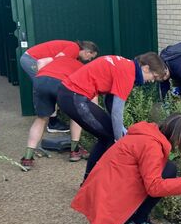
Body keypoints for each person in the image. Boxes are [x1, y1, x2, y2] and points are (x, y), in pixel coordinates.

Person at [70, 114, 181, 224]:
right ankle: (136, 223)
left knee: (167, 167)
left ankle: (128, 218)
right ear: (178, 138)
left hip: (105, 189)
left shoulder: (147, 134)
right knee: (169, 171)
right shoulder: (152, 146)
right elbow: (154, 188)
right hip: (109, 196)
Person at [57, 52, 167, 181]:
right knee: (108, 136)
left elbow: (109, 101)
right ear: (146, 68)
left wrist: (120, 129)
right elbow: (117, 110)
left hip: (69, 94)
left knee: (108, 133)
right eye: (153, 76)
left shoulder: (125, 65)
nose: (152, 80)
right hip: (74, 96)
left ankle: (92, 181)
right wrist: (118, 138)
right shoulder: (128, 73)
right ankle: (89, 183)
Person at [20, 56, 89, 170]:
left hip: (41, 80)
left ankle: (27, 158)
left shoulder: (58, 59)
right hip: (61, 82)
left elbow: (41, 61)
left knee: (41, 119)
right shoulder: (80, 67)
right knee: (75, 116)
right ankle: (74, 151)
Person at [19, 40, 99, 132]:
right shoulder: (74, 48)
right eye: (91, 57)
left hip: (30, 59)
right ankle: (52, 123)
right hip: (31, 60)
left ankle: (51, 120)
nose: (89, 60)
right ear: (87, 52)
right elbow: (53, 61)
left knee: (49, 88)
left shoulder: (73, 52)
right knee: (47, 89)